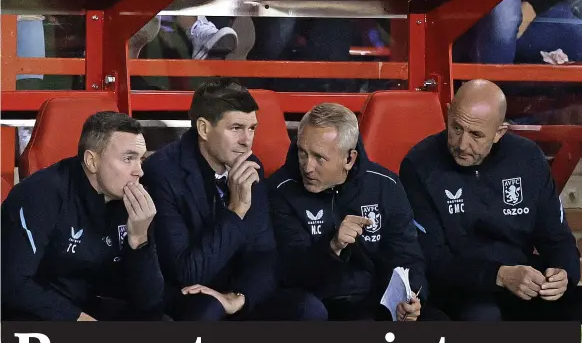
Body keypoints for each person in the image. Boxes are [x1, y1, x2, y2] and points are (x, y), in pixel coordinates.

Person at [142, 78, 327, 321]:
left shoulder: (251, 168)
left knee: (308, 309)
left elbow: (265, 254)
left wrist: (239, 297)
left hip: (234, 294)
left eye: (252, 129)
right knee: (208, 310)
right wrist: (236, 210)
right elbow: (186, 272)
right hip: (185, 296)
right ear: (204, 129)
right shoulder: (163, 173)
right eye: (236, 128)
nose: (247, 140)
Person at [400, 79, 582, 321]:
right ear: (447, 112)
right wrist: (499, 275)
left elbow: (558, 239)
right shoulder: (419, 164)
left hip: (521, 281)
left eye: (476, 135)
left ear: (499, 132)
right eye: (456, 128)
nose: (463, 144)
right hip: (460, 287)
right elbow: (432, 260)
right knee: (483, 316)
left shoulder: (527, 158)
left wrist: (563, 274)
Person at [267, 103, 448, 321]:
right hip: (323, 303)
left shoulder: (385, 185)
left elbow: (407, 256)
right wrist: (333, 246)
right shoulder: (281, 190)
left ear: (349, 159)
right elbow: (290, 273)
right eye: (302, 153)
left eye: (319, 158)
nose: (307, 167)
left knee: (437, 321)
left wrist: (412, 297)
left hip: (377, 301)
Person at [1, 112, 164, 321]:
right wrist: (78, 320)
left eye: (141, 159)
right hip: (33, 314)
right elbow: (13, 284)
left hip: (91, 306)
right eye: (128, 159)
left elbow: (150, 303)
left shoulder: (134, 201)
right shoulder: (40, 194)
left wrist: (140, 240)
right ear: (91, 161)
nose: (139, 171)